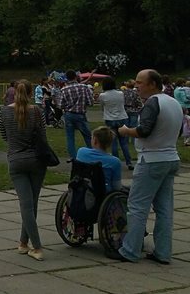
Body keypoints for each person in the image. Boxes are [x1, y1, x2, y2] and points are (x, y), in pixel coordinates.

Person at [116, 69, 183, 264]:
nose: (136, 86)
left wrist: (126, 130)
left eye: (140, 82)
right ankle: (163, 252)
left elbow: (144, 130)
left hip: (152, 160)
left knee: (137, 207)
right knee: (164, 209)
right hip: (171, 157)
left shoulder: (153, 102)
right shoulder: (173, 102)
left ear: (153, 84)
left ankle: (130, 250)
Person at [0, 80, 47, 262]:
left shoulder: (3, 111)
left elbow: (4, 136)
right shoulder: (37, 111)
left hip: (16, 159)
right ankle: (28, 244)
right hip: (36, 160)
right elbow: (43, 137)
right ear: (31, 93)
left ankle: (30, 244)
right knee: (32, 203)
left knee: (26, 205)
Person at [97, 76, 133, 170]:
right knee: (124, 142)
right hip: (122, 117)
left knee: (113, 143)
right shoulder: (121, 93)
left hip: (110, 118)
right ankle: (129, 162)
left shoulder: (102, 95)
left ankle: (116, 163)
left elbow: (102, 107)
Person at [76, 126, 123, 193]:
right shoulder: (114, 162)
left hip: (81, 190)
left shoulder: (81, 152)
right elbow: (117, 186)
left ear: (95, 140)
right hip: (103, 193)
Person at [60, 69, 93, 160]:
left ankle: (73, 158)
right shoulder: (84, 87)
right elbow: (90, 102)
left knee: (70, 137)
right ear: (75, 76)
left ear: (67, 78)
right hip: (80, 114)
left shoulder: (64, 89)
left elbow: (61, 105)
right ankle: (92, 153)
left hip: (69, 114)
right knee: (87, 136)